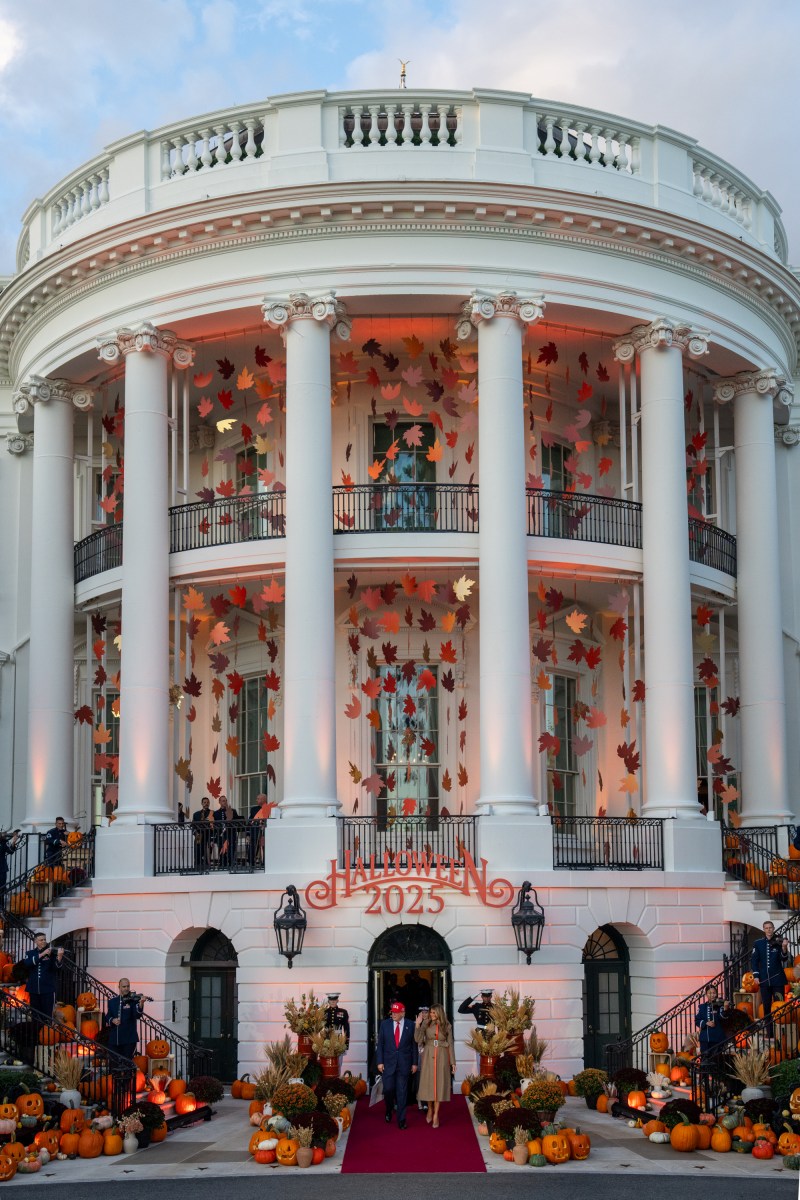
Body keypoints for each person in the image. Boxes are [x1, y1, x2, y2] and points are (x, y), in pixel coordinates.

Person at [376, 1000, 418, 1129]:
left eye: (396, 1012)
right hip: (388, 1063)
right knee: (388, 1090)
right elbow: (381, 1044)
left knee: (402, 1091)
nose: (393, 1014)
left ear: (402, 1013)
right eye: (392, 1012)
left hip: (404, 1064)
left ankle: (402, 1119)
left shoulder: (411, 1025)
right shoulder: (385, 1024)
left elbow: (413, 1046)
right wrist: (380, 1061)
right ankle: (389, 1109)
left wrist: (415, 1063)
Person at [415, 1003, 456, 1128]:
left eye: (433, 1012)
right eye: (430, 1012)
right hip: (428, 1054)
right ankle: (430, 1108)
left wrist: (453, 1062)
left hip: (442, 1055)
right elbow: (418, 1039)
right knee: (428, 1083)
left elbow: (451, 1044)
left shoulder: (447, 1025)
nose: (431, 1015)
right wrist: (418, 1025)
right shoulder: (426, 1023)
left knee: (439, 1084)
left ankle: (436, 1114)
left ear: (439, 1013)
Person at [751, 920, 791, 1039]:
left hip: (778, 979)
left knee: (780, 1006)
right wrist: (756, 975)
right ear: (764, 930)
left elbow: (783, 959)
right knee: (767, 1007)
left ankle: (782, 1035)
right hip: (764, 980)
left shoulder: (779, 941)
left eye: (770, 927)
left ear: (773, 928)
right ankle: (770, 1033)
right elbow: (754, 960)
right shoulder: (758, 943)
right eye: (766, 928)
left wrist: (784, 948)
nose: (769, 930)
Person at [103, 978, 146, 1060]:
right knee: (114, 1064)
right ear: (119, 987)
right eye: (124, 986)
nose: (126, 988)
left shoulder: (133, 1001)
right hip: (115, 1039)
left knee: (127, 1064)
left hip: (129, 1039)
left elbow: (137, 1015)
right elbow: (107, 1016)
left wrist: (141, 1004)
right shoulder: (112, 1002)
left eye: (128, 986)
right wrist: (112, 1020)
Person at [24, 932, 64, 1018]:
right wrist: (42, 954)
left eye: (45, 940)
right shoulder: (30, 953)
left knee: (48, 1016)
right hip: (34, 989)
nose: (44, 941)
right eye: (41, 940)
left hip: (48, 989)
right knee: (35, 1016)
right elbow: (27, 963)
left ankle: (46, 1031)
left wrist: (59, 957)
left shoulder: (51, 954)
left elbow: (56, 969)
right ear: (35, 941)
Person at [695, 984, 730, 1060]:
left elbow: (723, 1017)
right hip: (705, 1039)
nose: (712, 995)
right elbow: (697, 1020)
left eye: (714, 993)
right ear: (706, 994)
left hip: (717, 1038)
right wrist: (706, 1023)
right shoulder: (701, 1007)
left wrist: (725, 1009)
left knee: (716, 1060)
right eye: (710, 993)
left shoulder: (720, 1006)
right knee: (705, 1060)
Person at [214, 795, 239, 868]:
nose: (225, 802)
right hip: (221, 835)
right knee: (221, 851)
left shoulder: (232, 811)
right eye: (223, 801)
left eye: (226, 800)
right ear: (219, 802)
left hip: (231, 834)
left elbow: (237, 822)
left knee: (231, 850)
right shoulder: (216, 813)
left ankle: (231, 865)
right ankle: (222, 865)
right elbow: (215, 824)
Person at [191, 796, 214, 871]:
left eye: (207, 802)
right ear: (201, 803)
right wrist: (195, 833)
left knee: (206, 852)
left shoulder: (212, 813)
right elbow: (193, 825)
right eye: (204, 802)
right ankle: (197, 866)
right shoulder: (196, 814)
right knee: (197, 850)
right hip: (199, 834)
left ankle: (206, 866)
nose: (206, 804)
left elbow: (214, 825)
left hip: (208, 834)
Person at [0, 830, 20, 908]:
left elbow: (11, 851)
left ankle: (1, 907)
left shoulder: (3, 843)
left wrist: (14, 841)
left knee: (1, 888)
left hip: (1, 868)